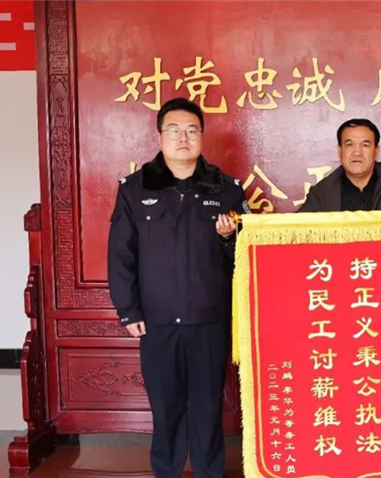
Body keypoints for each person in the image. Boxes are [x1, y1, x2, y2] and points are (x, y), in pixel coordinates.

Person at [108, 97, 247, 478]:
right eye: (174, 130)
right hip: (156, 321)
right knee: (165, 407)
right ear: (159, 136)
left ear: (202, 136)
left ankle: (209, 472)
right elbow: (120, 254)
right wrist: (128, 310)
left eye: (191, 131)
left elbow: (245, 258)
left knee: (207, 407)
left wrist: (228, 239)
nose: (182, 138)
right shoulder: (134, 190)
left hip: (210, 320)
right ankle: (166, 471)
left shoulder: (227, 190)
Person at [298, 118, 381, 212]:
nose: (357, 152)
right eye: (349, 145)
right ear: (340, 152)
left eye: (365, 145)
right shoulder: (321, 193)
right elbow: (297, 232)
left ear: (376, 152)